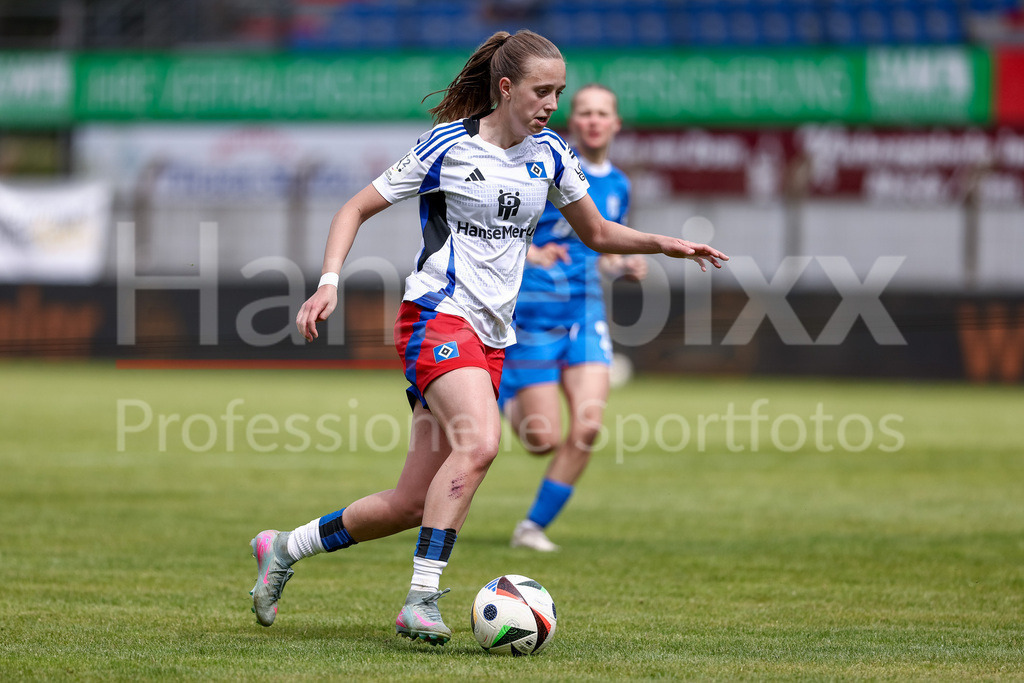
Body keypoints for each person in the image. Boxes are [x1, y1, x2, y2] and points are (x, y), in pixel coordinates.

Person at [250, 29, 728, 647]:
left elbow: (599, 233)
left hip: (493, 337)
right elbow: (354, 209)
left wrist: (664, 243)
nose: (553, 104)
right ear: (506, 89)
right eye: (542, 91)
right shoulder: (446, 147)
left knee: (409, 504)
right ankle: (421, 599)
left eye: (559, 91)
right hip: (435, 316)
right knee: (480, 443)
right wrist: (329, 282)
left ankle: (284, 547)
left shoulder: (551, 154)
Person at [499, 83, 645, 552]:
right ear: (573, 121)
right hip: (531, 317)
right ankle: (503, 392)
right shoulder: (544, 167)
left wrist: (621, 265)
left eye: (604, 112)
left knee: (586, 428)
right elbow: (497, 231)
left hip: (584, 313)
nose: (594, 120)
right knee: (543, 439)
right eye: (585, 112)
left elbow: (598, 250)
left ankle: (531, 528)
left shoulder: (619, 184)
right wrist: (530, 251)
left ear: (616, 123)